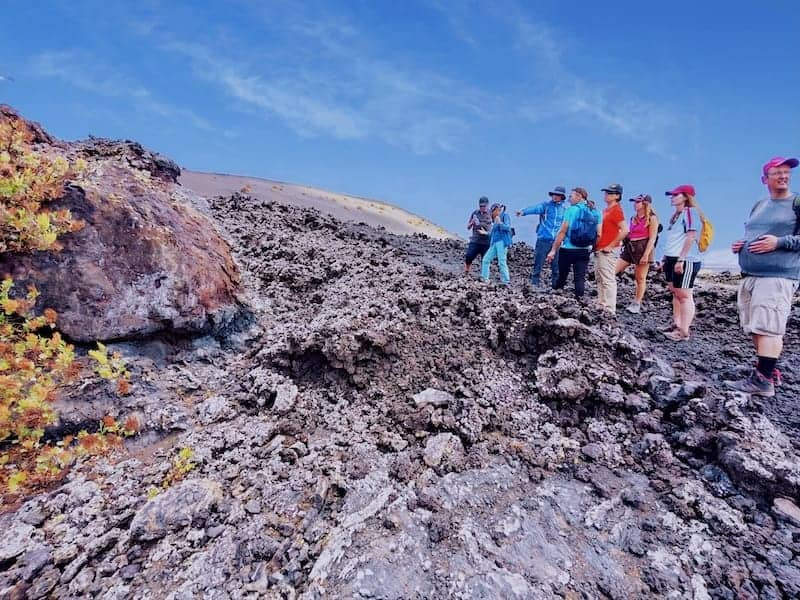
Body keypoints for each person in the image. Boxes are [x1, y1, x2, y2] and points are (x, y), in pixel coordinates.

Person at [727, 156, 800, 397]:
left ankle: (763, 381)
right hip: (752, 274)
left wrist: (778, 242)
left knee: (769, 327)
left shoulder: (796, 203)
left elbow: (783, 239)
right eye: (777, 172)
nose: (783, 176)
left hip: (776, 276)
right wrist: (743, 244)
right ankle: (768, 370)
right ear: (764, 179)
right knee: (756, 327)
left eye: (786, 172)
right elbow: (755, 231)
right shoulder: (760, 205)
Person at [660, 184, 702, 341]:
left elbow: (691, 236)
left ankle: (684, 331)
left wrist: (681, 259)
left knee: (684, 296)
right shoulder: (676, 215)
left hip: (685, 260)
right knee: (675, 293)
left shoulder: (690, 212)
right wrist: (665, 258)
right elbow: (674, 239)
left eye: (675, 195)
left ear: (685, 196)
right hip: (672, 258)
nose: (672, 197)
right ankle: (677, 324)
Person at [546, 187, 602, 299]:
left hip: (567, 249)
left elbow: (562, 232)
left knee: (562, 275)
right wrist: (593, 248)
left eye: (571, 196)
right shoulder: (596, 212)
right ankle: (579, 301)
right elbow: (599, 234)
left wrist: (553, 250)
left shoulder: (571, 210)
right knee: (579, 278)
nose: (569, 199)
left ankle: (556, 298)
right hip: (584, 250)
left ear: (579, 196)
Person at [516, 185, 567, 287]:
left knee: (556, 267)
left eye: (558, 195)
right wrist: (523, 212)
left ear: (561, 197)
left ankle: (555, 287)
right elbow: (535, 209)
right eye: (554, 194)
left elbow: (565, 226)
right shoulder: (546, 206)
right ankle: (534, 286)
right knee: (538, 265)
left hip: (556, 242)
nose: (555, 196)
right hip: (543, 240)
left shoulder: (564, 210)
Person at [616, 194, 660, 313]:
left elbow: (652, 238)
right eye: (634, 202)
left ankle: (637, 303)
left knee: (640, 277)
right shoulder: (633, 218)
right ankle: (608, 296)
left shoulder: (652, 218)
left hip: (643, 248)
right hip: (630, 248)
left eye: (638, 202)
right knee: (613, 270)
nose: (635, 204)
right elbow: (629, 234)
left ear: (645, 203)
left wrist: (646, 254)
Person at [594, 183, 628, 313]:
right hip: (600, 248)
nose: (606, 195)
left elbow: (625, 230)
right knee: (600, 277)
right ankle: (602, 304)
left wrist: (611, 245)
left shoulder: (616, 210)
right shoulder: (606, 210)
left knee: (608, 279)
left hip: (607, 250)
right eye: (606, 192)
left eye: (610, 193)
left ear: (617, 196)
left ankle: (609, 309)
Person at [481, 203, 513, 284]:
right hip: (494, 243)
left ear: (496, 210)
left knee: (501, 261)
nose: (491, 214)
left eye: (492, 212)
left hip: (502, 242)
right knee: (486, 259)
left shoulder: (505, 216)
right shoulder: (495, 219)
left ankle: (506, 281)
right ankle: (484, 278)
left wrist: (500, 223)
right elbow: (493, 233)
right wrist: (485, 233)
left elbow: (508, 228)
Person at [464, 196, 492, 274]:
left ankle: (484, 276)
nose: (482, 207)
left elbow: (496, 226)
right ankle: (467, 270)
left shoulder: (491, 213)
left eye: (484, 206)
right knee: (469, 256)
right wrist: (472, 222)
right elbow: (468, 227)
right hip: (475, 240)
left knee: (485, 260)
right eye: (481, 206)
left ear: (488, 205)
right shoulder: (475, 213)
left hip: (486, 242)